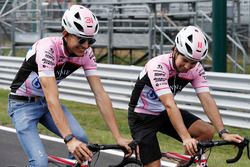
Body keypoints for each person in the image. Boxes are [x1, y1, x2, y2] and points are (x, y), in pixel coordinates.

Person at [8, 5, 131, 167]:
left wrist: (118, 137)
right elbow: (52, 97)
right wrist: (68, 139)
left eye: (91, 40)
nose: (86, 45)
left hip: (45, 104)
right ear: (65, 34)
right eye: (81, 40)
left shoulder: (86, 54)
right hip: (22, 105)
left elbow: (100, 94)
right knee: (39, 162)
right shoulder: (47, 48)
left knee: (82, 143)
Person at [127, 25, 244, 167]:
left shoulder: (196, 69)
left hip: (163, 113)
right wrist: (186, 138)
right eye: (185, 59)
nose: (188, 66)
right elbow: (170, 104)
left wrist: (223, 132)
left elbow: (206, 99)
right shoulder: (158, 66)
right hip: (142, 117)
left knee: (206, 131)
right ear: (175, 50)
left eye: (193, 62)